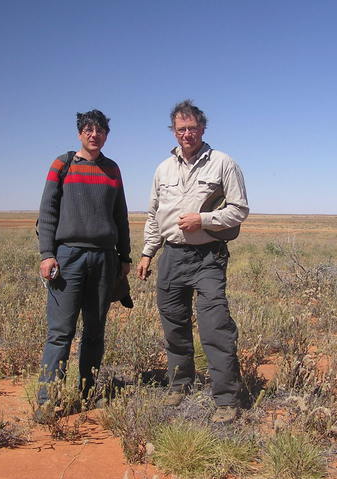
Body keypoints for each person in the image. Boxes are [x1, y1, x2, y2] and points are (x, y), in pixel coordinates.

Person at [136, 100, 249, 423]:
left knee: (215, 326)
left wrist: (204, 219)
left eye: (192, 128)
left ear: (203, 128)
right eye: (181, 129)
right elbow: (154, 215)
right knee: (174, 324)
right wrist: (147, 252)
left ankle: (227, 399)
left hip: (208, 256)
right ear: (173, 131)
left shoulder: (223, 163)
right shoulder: (163, 169)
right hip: (172, 255)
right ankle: (179, 384)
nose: (187, 134)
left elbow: (239, 210)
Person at [36, 109, 131, 422]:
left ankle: (87, 393)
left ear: (106, 134)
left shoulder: (112, 169)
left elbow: (121, 216)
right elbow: (47, 212)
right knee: (60, 332)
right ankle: (47, 403)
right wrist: (47, 253)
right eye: (89, 130)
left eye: (100, 130)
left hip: (104, 258)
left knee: (95, 331)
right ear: (80, 133)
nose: (94, 135)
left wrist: (125, 256)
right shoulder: (62, 164)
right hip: (69, 257)